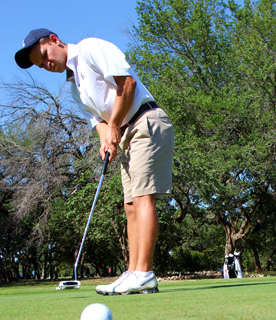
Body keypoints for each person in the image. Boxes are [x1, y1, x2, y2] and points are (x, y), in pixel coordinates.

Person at [15, 29, 174, 295]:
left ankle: (144, 273)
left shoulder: (89, 49)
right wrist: (106, 138)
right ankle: (133, 272)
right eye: (40, 64)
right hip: (125, 133)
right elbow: (98, 123)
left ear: (54, 40)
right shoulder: (75, 86)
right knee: (130, 206)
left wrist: (113, 125)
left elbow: (127, 84)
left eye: (44, 55)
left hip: (145, 121)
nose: (46, 64)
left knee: (144, 197)